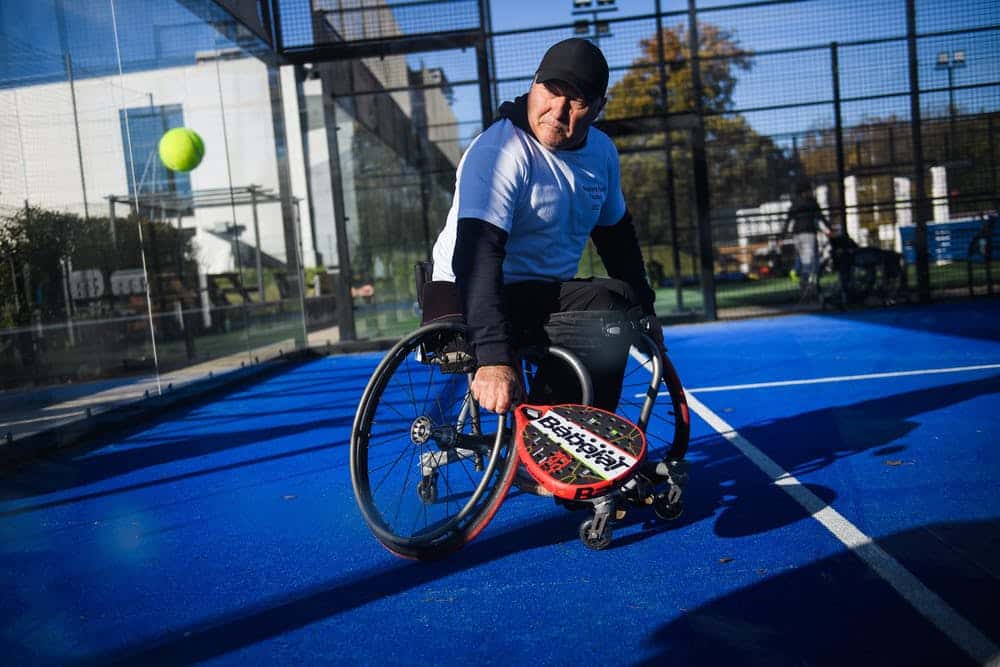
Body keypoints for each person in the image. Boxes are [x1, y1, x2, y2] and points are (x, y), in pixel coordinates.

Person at [429, 37, 663, 416]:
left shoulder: (601, 152)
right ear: (533, 85)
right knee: (605, 309)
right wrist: (491, 356)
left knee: (621, 300)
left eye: (577, 101)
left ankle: (567, 440)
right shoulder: (499, 152)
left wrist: (645, 309)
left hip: (536, 295)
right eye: (551, 91)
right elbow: (477, 257)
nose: (558, 110)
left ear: (598, 108)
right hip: (463, 291)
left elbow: (616, 237)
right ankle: (550, 453)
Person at [785, 180, 831, 295]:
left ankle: (804, 278)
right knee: (808, 259)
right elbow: (820, 216)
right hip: (807, 233)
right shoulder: (811, 202)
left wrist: (783, 233)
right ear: (805, 191)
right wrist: (829, 227)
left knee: (803, 257)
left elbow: (788, 219)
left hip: (797, 234)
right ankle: (806, 283)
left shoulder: (795, 203)